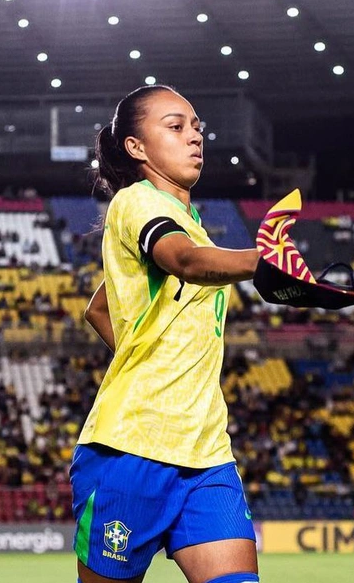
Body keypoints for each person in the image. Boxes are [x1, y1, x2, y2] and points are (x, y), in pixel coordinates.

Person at [73, 85, 262, 583]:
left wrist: (153, 361)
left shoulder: (192, 223)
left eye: (197, 127)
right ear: (136, 148)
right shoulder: (137, 202)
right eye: (175, 127)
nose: (194, 136)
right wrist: (265, 265)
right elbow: (183, 260)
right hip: (131, 450)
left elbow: (99, 307)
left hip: (206, 453)